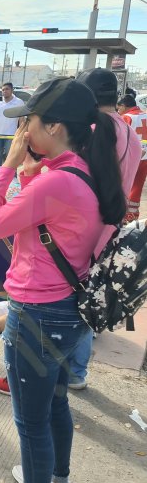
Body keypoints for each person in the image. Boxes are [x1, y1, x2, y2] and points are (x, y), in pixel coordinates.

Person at [0, 78, 125, 483]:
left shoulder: (55, 183)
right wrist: (30, 174)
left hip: (37, 314)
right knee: (55, 404)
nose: (24, 132)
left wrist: (7, 168)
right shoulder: (80, 171)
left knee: (31, 423)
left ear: (55, 127)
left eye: (30, 123)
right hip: (66, 310)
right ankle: (59, 481)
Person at [69, 68, 142, 389]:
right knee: (86, 302)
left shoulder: (94, 131)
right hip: (110, 228)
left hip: (82, 228)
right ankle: (77, 373)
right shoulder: (132, 135)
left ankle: (65, 371)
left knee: (66, 303)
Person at [117, 93, 147, 223]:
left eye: (119, 108)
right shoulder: (145, 114)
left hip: (132, 156)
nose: (118, 111)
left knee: (124, 185)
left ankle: (122, 217)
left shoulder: (125, 117)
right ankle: (133, 215)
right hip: (145, 156)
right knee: (137, 186)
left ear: (124, 106)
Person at [0, 83, 24, 173]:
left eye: (7, 89)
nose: (4, 91)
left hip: (11, 134)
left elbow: (21, 119)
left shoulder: (19, 102)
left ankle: (12, 177)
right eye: (3, 90)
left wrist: (21, 133)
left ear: (12, 90)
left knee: (10, 157)